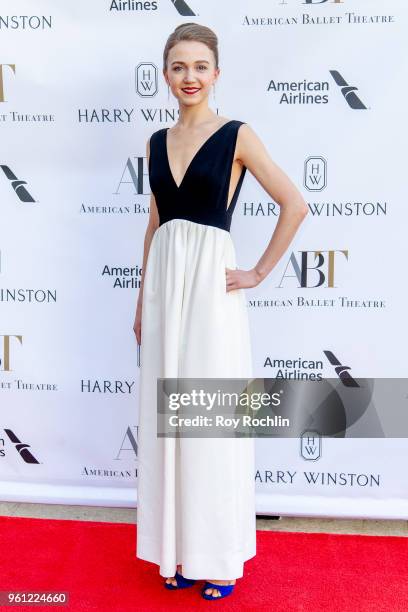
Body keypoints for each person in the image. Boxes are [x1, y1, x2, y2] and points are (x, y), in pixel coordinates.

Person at [133, 22, 308, 601]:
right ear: (165, 74)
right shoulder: (156, 141)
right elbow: (155, 224)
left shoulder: (237, 135)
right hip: (163, 292)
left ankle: (220, 557)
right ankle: (177, 551)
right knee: (170, 424)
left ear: (216, 73)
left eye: (200, 67)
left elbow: (294, 203)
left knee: (208, 423)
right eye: (178, 67)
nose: (189, 77)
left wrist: (257, 272)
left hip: (211, 291)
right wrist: (141, 301)